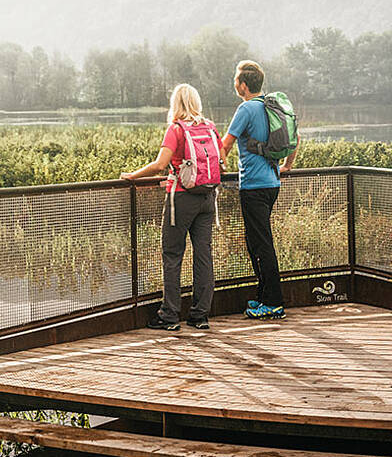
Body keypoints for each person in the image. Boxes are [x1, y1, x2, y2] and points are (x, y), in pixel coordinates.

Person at [121, 83, 223, 331]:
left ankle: (169, 316)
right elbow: (222, 159)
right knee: (203, 255)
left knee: (172, 255)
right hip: (208, 198)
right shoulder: (209, 127)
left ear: (175, 104)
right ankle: (200, 316)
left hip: (181, 198)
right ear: (196, 102)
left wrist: (133, 176)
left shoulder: (176, 130)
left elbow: (160, 164)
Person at [221, 60, 295, 319]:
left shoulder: (245, 109)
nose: (235, 84)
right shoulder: (271, 106)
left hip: (253, 185)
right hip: (272, 182)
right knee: (255, 242)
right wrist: (286, 166)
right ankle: (264, 297)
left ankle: (274, 303)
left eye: (235, 80)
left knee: (261, 244)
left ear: (242, 85)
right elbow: (294, 139)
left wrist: (216, 169)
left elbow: (225, 145)